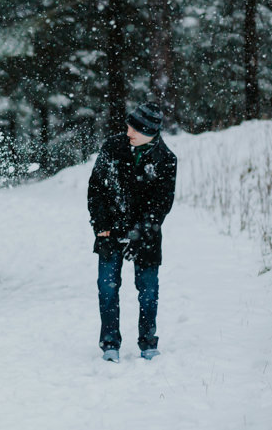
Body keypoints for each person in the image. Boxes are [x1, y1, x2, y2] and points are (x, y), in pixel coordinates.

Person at [87, 102, 177, 363]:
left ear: (150, 132)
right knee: (107, 288)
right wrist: (101, 227)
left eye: (135, 129)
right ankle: (110, 345)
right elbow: (96, 190)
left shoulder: (166, 160)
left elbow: (161, 205)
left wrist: (139, 234)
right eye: (128, 126)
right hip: (110, 232)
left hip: (146, 236)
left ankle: (148, 343)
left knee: (148, 291)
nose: (128, 132)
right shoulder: (112, 147)